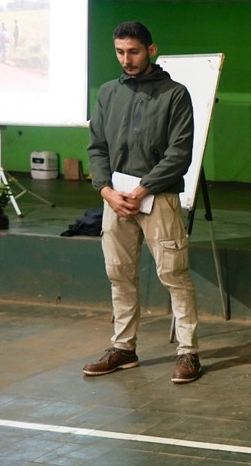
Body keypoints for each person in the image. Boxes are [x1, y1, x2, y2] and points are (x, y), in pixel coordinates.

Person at [83, 21, 203, 383]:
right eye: (120, 52)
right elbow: (97, 148)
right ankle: (123, 348)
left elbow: (179, 153)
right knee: (119, 275)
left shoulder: (175, 94)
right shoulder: (107, 92)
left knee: (175, 276)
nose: (126, 59)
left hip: (158, 198)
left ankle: (188, 353)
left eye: (133, 51)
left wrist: (142, 190)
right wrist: (106, 191)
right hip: (115, 200)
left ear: (151, 50)